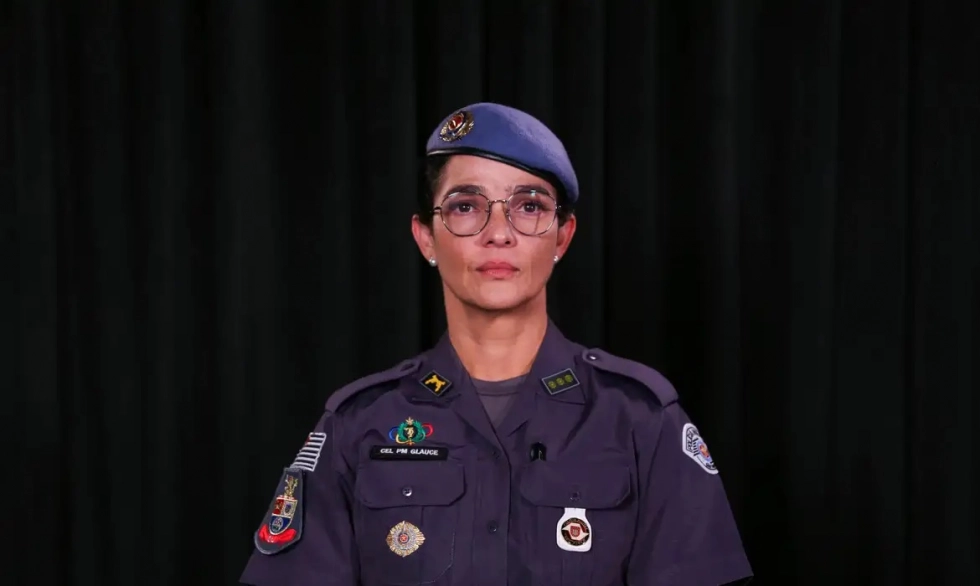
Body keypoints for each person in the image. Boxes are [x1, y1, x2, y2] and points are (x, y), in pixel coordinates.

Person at [239, 103, 754, 586]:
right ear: (426, 237)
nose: (499, 233)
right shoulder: (357, 424)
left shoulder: (640, 419)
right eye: (466, 206)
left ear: (562, 236)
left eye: (529, 206)